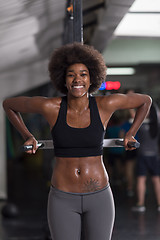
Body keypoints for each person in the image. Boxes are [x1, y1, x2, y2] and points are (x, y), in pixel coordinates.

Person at [3, 42, 152, 240]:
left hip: (99, 195)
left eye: (83, 74)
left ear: (92, 79)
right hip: (63, 197)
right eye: (71, 74)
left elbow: (145, 101)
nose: (77, 79)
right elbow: (9, 105)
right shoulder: (51, 107)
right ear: (63, 80)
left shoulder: (105, 105)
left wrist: (131, 133)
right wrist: (27, 135)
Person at [132, 103, 160, 213]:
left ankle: (140, 205)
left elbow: (134, 116)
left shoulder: (141, 125)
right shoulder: (157, 126)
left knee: (141, 180)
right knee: (157, 180)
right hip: (154, 155)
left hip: (142, 155)